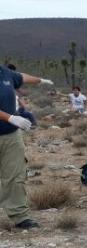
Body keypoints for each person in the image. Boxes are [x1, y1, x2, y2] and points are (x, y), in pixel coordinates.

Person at [1, 64, 53, 230]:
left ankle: (20, 216)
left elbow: (21, 76)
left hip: (10, 136)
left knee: (15, 175)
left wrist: (40, 80)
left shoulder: (5, 73)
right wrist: (10, 118)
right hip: (10, 123)